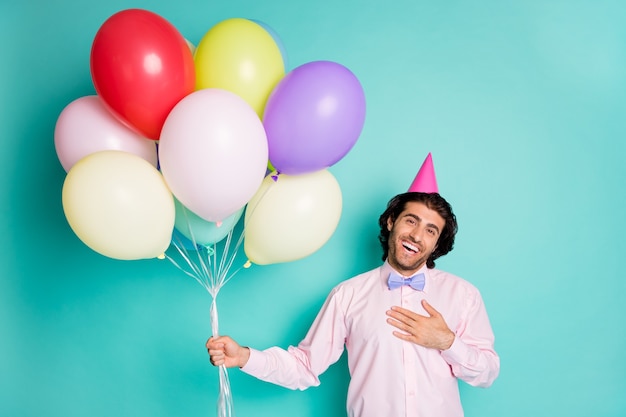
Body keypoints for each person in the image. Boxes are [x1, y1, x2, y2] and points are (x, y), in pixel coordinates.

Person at [207, 192, 500, 417]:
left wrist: (447, 342)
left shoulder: (463, 295)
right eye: (411, 220)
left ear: (437, 244)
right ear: (391, 221)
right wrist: (245, 357)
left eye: (430, 230)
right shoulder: (347, 295)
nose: (416, 235)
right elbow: (305, 365)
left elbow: (487, 373)